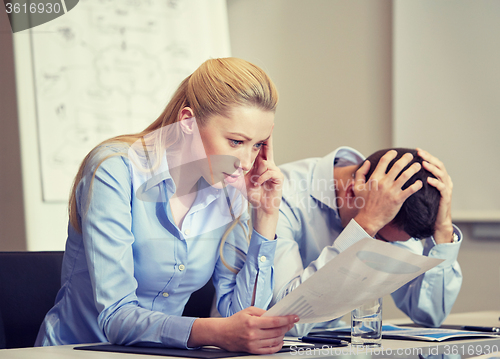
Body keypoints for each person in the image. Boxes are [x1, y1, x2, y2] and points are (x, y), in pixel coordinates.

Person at [35, 57, 299, 354]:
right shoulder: (116, 170)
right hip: (75, 352)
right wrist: (211, 331)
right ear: (188, 122)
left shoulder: (229, 192)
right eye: (236, 142)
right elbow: (116, 317)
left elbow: (242, 321)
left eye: (258, 144)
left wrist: (265, 217)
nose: (248, 163)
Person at [271, 146, 462, 336]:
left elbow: (429, 315)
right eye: (378, 238)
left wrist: (444, 230)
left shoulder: (394, 204)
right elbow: (287, 322)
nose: (383, 249)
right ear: (351, 193)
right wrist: (365, 226)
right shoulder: (281, 194)